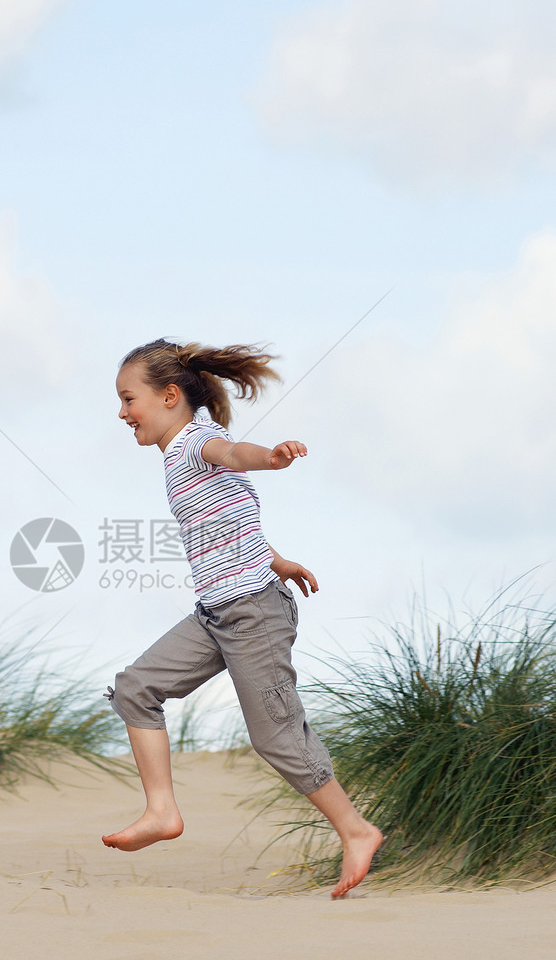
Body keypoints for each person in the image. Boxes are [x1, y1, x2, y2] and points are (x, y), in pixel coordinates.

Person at [102, 338, 383, 898]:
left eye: (129, 399)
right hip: (216, 615)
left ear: (170, 396)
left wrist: (272, 458)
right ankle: (162, 811)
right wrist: (278, 559)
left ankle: (357, 830)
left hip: (253, 615)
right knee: (136, 689)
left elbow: (232, 457)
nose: (122, 412)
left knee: (275, 737)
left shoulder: (196, 441)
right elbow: (232, 510)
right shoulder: (179, 453)